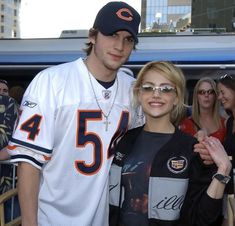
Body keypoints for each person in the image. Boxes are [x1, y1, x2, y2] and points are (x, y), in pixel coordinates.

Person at [7, 2, 143, 226]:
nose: (119, 45)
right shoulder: (52, 81)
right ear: (93, 36)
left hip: (105, 218)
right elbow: (29, 164)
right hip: (51, 219)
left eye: (128, 39)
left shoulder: (133, 90)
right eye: (112, 34)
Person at [109, 61, 232, 226]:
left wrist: (223, 169)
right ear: (139, 94)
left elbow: (203, 218)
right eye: (148, 87)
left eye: (166, 89)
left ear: (176, 98)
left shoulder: (191, 148)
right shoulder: (121, 141)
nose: (156, 94)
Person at [180, 77, 226, 143]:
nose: (206, 95)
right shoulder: (186, 124)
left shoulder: (225, 124)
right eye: (202, 92)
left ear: (215, 95)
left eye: (210, 92)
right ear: (196, 97)